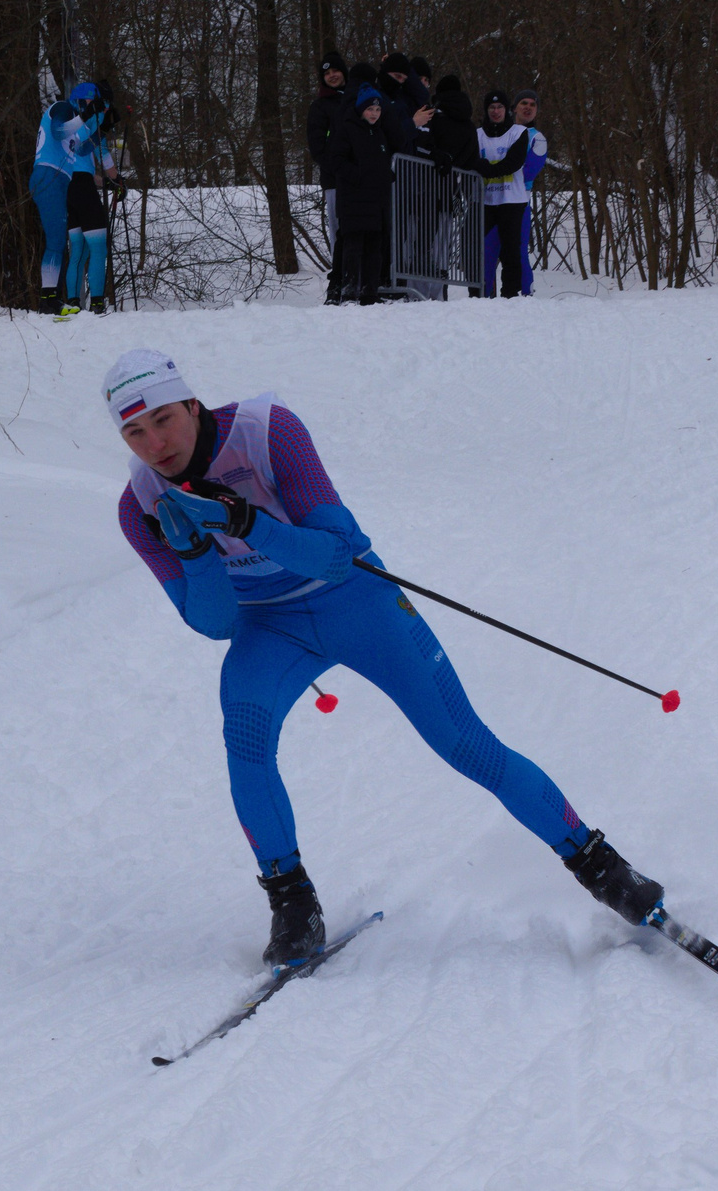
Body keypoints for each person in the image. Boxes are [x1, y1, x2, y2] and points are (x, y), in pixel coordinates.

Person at [103, 346, 671, 966]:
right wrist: (194, 554)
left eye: (163, 418)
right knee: (244, 738)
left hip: (356, 600)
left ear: (192, 404)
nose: (154, 442)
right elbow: (215, 623)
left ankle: (601, 867)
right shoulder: (141, 507)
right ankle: (292, 901)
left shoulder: (269, 433)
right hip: (269, 627)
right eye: (134, 431)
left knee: (466, 744)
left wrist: (246, 521)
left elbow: (337, 550)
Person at [331, 85, 405, 303]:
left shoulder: (379, 132)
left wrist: (385, 177)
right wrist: (359, 176)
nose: (374, 113)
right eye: (370, 108)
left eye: (378, 109)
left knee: (375, 247)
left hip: (375, 201)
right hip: (353, 200)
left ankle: (369, 292)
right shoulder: (347, 129)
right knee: (353, 246)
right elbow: (337, 161)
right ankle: (349, 290)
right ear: (361, 108)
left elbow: (383, 162)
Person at [34, 81, 103, 314]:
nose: (92, 107)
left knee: (58, 240)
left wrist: (103, 127)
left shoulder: (76, 121)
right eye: (90, 103)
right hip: (48, 173)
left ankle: (51, 296)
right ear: (81, 100)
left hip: (60, 178)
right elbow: (57, 131)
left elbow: (82, 149)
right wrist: (85, 117)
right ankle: (48, 299)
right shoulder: (63, 108)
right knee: (55, 240)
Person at [63, 80, 120, 315]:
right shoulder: (84, 124)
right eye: (100, 103)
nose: (103, 108)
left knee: (78, 249)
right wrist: (114, 181)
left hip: (68, 187)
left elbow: (99, 155)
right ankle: (97, 302)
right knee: (97, 246)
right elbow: (96, 152)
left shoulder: (69, 124)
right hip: (82, 188)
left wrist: (115, 181)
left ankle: (74, 303)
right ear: (85, 101)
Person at [305, 53, 354, 302]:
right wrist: (338, 168)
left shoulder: (357, 99)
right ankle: (340, 281)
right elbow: (318, 148)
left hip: (362, 180)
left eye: (335, 70)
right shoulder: (321, 106)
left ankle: (359, 280)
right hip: (336, 181)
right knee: (339, 232)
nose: (332, 75)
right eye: (326, 73)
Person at [477, 89, 535, 297]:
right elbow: (471, 161)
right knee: (482, 250)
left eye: (500, 107)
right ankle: (480, 293)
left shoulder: (518, 133)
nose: (495, 111)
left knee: (511, 249)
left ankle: (511, 293)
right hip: (486, 200)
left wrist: (487, 169)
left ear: (506, 109)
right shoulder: (478, 135)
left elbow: (514, 163)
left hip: (512, 199)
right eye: (491, 107)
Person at [510, 89, 550, 295]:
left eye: (532, 105)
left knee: (518, 251)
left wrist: (498, 171)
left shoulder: (537, 138)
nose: (527, 107)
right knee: (488, 251)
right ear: (514, 107)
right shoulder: (501, 134)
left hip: (519, 202)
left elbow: (528, 173)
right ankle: (484, 298)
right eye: (523, 103)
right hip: (491, 201)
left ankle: (526, 294)